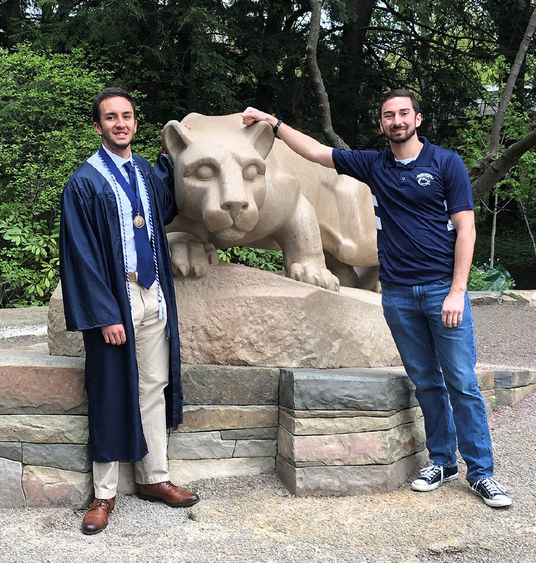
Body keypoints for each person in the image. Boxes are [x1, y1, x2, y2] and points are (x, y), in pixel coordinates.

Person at [242, 89, 512, 508]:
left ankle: (482, 473)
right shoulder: (374, 164)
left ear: (418, 119)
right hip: (398, 294)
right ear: (382, 123)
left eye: (404, 113)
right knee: (426, 382)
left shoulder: (446, 163)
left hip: (442, 290)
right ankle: (442, 461)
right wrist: (273, 124)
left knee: (461, 382)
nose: (397, 121)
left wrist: (458, 290)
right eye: (389, 115)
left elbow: (466, 229)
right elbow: (315, 152)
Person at [60, 87, 199, 535]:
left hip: (153, 293)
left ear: (135, 123)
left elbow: (164, 205)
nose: (120, 123)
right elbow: (78, 254)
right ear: (98, 125)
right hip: (116, 298)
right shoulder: (84, 181)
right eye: (111, 117)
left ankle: (154, 477)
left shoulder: (142, 171)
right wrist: (104, 314)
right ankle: (103, 493)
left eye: (127, 116)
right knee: (109, 387)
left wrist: (175, 150)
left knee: (153, 386)